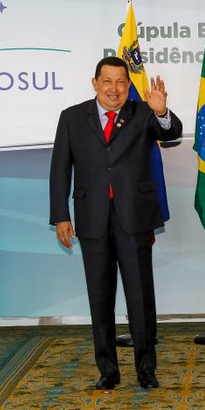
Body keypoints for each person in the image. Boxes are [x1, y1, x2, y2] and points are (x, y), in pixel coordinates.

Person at [49, 56, 183, 390]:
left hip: (134, 217)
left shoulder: (141, 113)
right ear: (94, 83)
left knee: (140, 297)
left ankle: (146, 369)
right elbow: (60, 169)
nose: (114, 88)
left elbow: (172, 134)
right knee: (100, 297)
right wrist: (61, 216)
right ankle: (107, 370)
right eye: (107, 81)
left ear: (128, 85)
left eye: (121, 82)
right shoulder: (72, 117)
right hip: (91, 218)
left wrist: (162, 112)